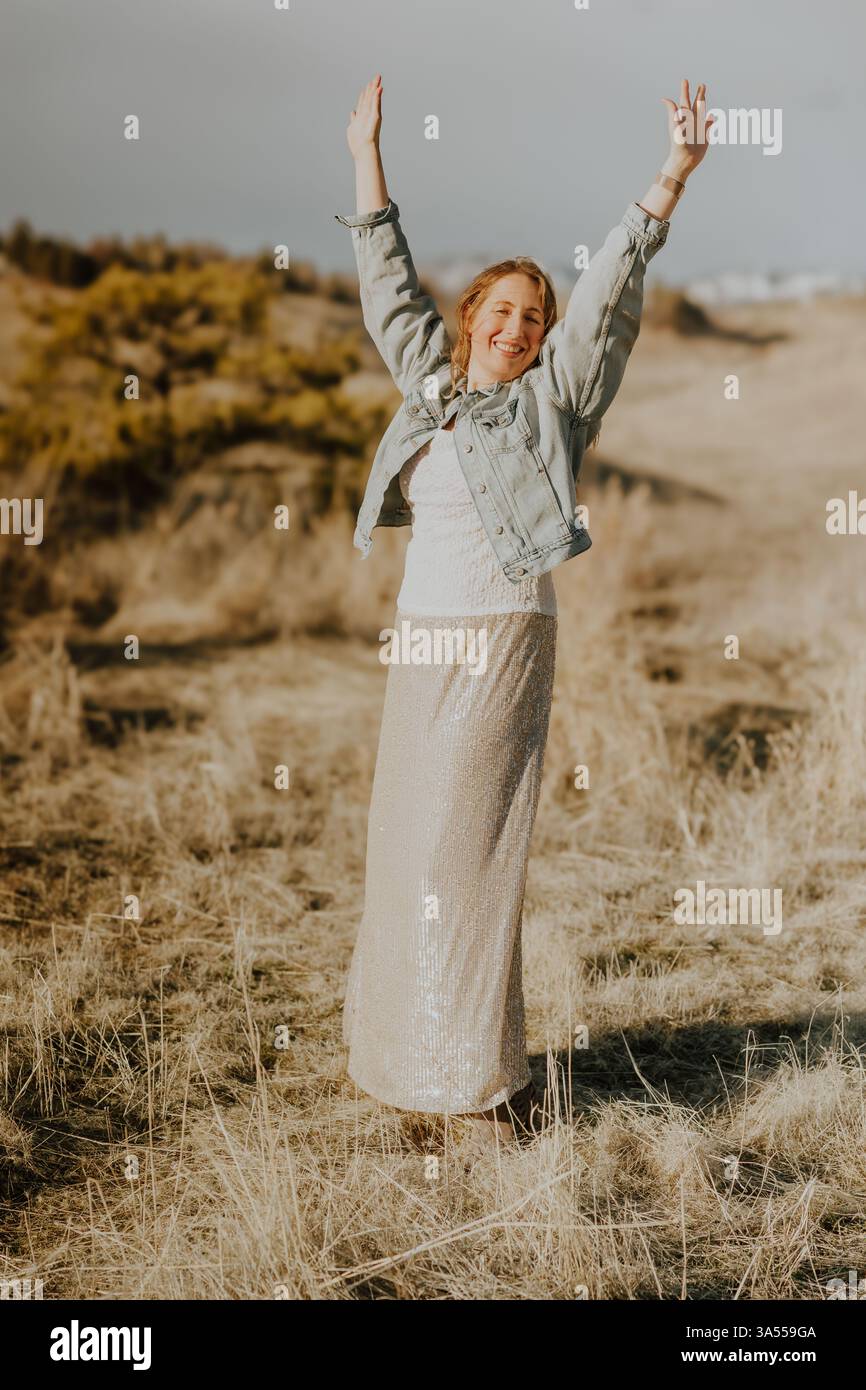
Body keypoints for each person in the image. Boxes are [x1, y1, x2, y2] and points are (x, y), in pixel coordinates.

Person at [335, 75, 712, 1155]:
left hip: (501, 640)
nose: (515, 326)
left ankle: (487, 1091)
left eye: (530, 318)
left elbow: (610, 295)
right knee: (406, 861)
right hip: (424, 644)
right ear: (469, 323)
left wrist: (669, 178)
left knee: (468, 861)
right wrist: (364, 151)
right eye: (498, 311)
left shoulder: (553, 400)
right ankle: (417, 1079)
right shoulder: (428, 388)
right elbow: (383, 282)